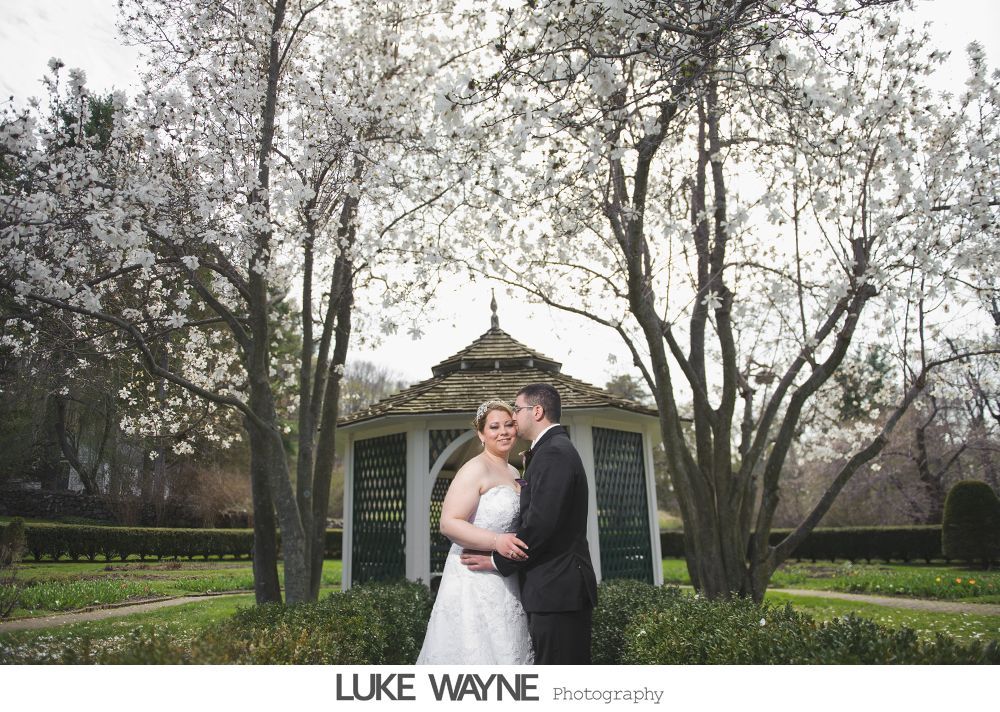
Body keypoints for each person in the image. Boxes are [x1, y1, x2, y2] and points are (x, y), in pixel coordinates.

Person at [461, 383, 598, 665]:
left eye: (517, 409)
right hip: (553, 591)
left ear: (536, 411)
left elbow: (541, 525)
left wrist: (498, 561)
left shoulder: (554, 453)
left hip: (557, 592)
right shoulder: (548, 451)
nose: (513, 416)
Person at [416, 399, 534, 664]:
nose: (503, 432)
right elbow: (449, 522)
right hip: (473, 577)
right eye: (494, 427)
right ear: (481, 434)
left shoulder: (513, 470)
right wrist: (496, 541)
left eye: (508, 425)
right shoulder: (474, 469)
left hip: (505, 575)